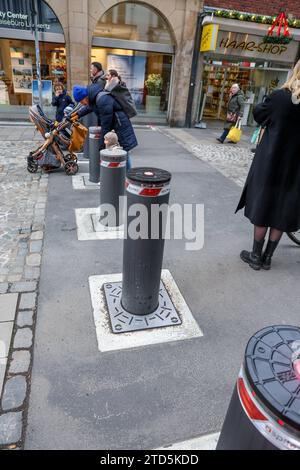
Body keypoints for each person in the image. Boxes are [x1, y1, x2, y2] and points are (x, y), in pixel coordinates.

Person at [236, 60, 300, 271]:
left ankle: (255, 255)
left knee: (265, 203)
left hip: (271, 162)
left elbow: (258, 114)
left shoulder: (280, 97)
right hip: (295, 168)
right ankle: (267, 258)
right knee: (283, 208)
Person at [72, 84, 138, 156]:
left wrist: (102, 145)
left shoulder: (102, 100)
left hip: (120, 125)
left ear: (85, 96)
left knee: (123, 153)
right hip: (116, 124)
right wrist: (78, 114)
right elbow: (89, 107)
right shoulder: (94, 97)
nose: (82, 104)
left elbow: (106, 125)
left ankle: (128, 168)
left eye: (81, 101)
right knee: (120, 154)